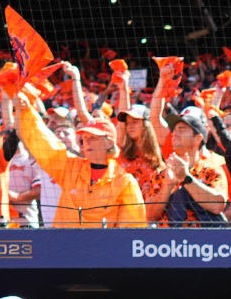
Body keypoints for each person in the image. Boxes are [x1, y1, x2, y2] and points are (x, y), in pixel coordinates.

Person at [15, 94, 146, 227]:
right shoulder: (70, 167)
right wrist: (27, 110)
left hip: (101, 246)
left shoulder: (124, 182)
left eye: (93, 138)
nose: (87, 142)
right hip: (62, 245)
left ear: (109, 143)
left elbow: (132, 227)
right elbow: (43, 141)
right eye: (85, 137)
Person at [161, 106, 230, 226]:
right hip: (166, 243)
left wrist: (186, 178)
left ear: (198, 138)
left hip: (202, 242)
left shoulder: (212, 171)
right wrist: (167, 187)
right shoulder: (162, 172)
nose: (174, 133)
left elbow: (218, 206)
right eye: (174, 129)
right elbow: (148, 215)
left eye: (182, 129)